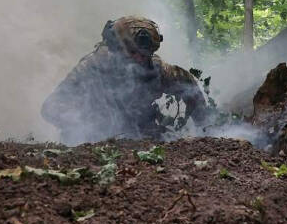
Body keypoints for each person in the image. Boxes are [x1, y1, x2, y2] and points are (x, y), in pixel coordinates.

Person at [41, 16, 206, 144]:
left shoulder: (156, 68)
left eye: (145, 54)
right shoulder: (93, 67)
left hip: (142, 142)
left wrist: (206, 125)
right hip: (96, 144)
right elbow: (52, 107)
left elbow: (188, 86)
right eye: (134, 53)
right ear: (118, 48)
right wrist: (88, 124)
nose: (141, 59)